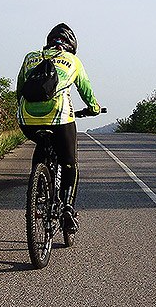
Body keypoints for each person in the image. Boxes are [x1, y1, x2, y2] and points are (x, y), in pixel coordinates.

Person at [16, 23, 101, 234]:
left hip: (26, 119)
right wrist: (94, 108)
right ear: (72, 45)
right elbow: (85, 90)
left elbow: (19, 89)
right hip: (59, 117)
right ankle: (68, 208)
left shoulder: (30, 57)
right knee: (69, 162)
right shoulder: (73, 60)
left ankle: (37, 191)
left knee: (42, 144)